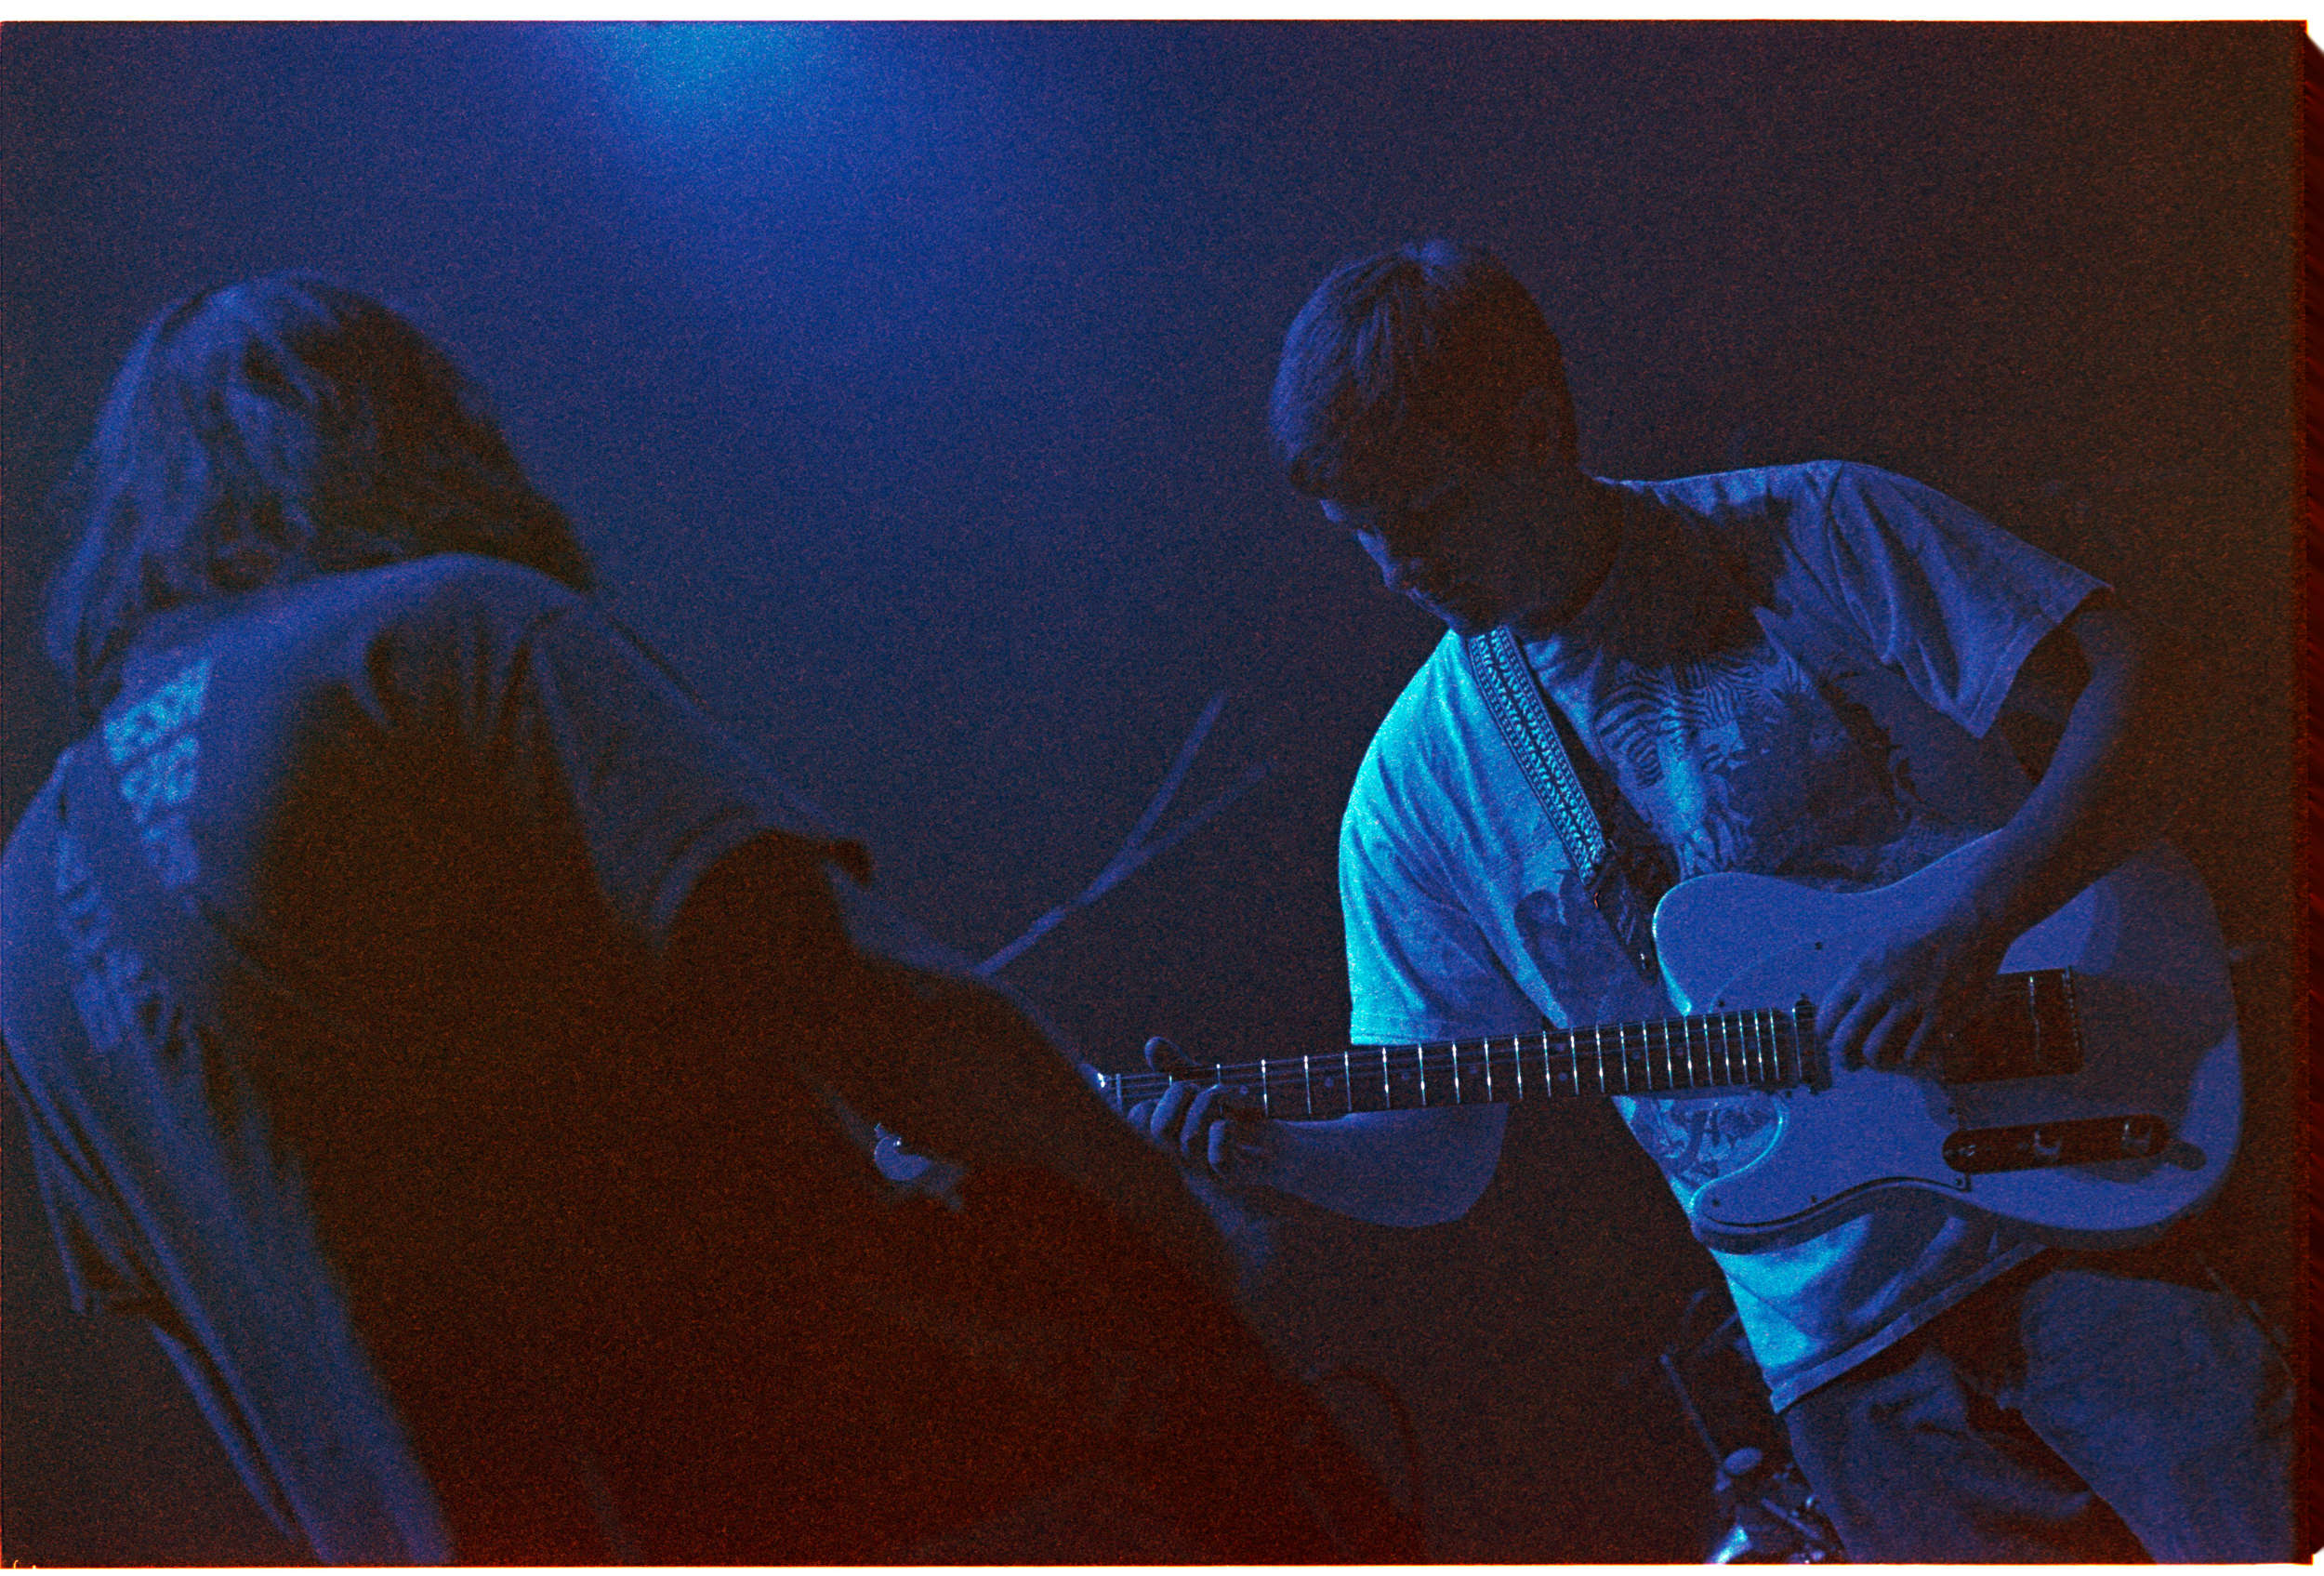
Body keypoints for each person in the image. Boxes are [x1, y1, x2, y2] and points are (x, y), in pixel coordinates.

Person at [0, 273, 1418, 1565]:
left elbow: (215, 1357)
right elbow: (890, 1017)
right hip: (822, 1497)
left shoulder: (27, 905)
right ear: (408, 428)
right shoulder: (443, 633)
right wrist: (1184, 1235)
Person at [1132, 239, 2294, 1561]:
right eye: (1366, 536)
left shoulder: (1819, 526)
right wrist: (1263, 1148)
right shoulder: (1410, 795)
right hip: (1842, 1360)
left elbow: (2161, 691)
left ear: (1536, 427)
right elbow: (1441, 1163)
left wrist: (1972, 922)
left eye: (1435, 511)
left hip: (2093, 1205)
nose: (1403, 571)